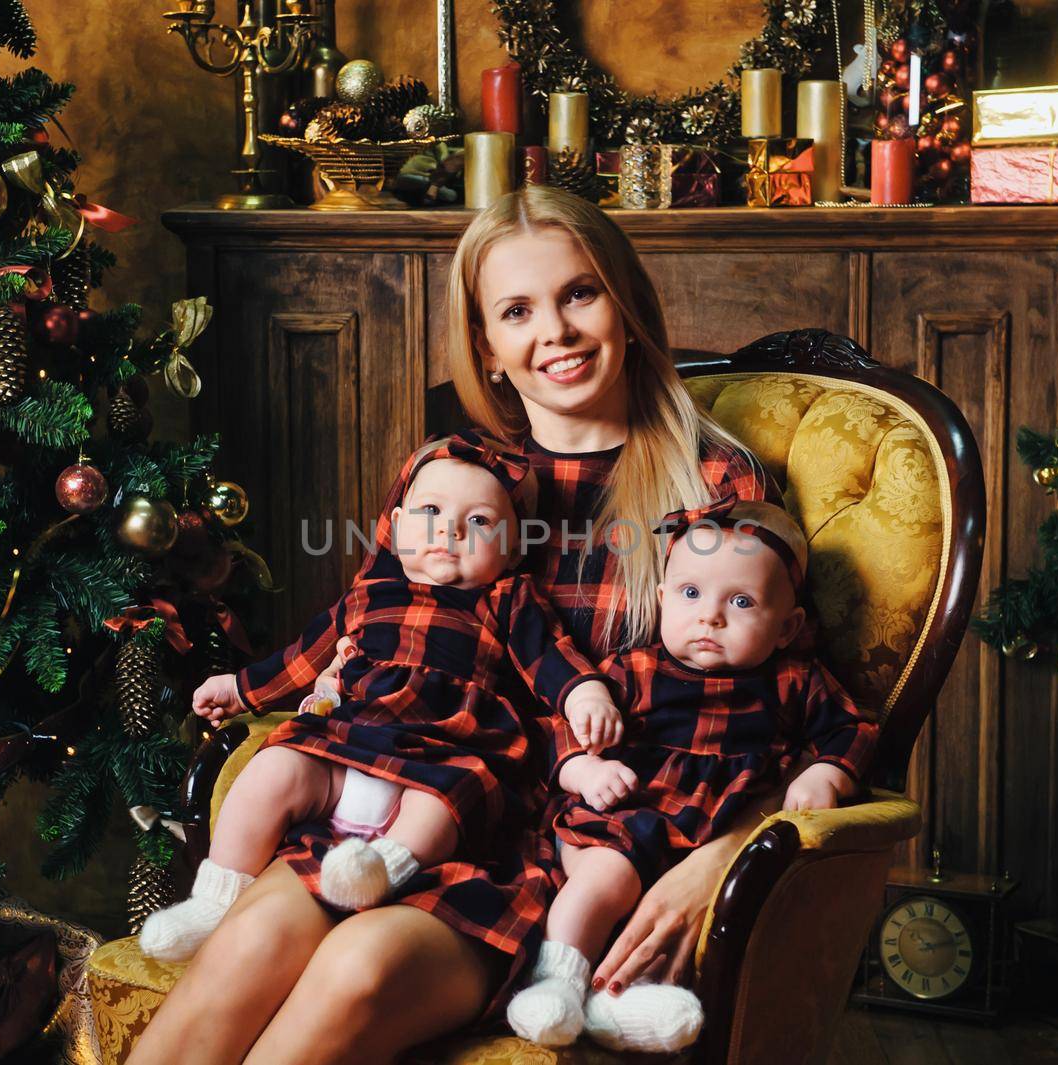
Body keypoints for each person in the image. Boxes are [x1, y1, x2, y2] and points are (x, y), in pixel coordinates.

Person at [127, 184, 788, 1065]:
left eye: (579, 293)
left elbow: (797, 714)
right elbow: (364, 627)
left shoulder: (714, 488)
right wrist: (331, 694)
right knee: (245, 945)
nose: (553, 330)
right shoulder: (455, 479)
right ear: (487, 342)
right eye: (517, 309)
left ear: (626, 301)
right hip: (404, 801)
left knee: (357, 966)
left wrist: (730, 855)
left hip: (561, 861)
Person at [137, 434, 623, 962]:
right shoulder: (367, 595)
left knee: (452, 800)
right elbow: (303, 657)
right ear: (396, 525)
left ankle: (385, 869)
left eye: (480, 521)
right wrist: (238, 688)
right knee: (275, 766)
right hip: (351, 743)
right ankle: (216, 898)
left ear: (511, 550)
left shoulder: (507, 599)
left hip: (444, 752)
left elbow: (550, 656)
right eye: (431, 510)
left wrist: (585, 694)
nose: (451, 529)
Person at [507, 495, 876, 1052]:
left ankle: (619, 1004)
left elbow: (855, 729)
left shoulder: (795, 681)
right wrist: (583, 767)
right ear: (660, 601)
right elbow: (566, 725)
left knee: (706, 922)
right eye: (690, 593)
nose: (710, 616)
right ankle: (557, 980)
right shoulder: (633, 669)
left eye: (743, 601)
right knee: (607, 882)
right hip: (626, 817)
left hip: (709, 836)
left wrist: (827, 771)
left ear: (786, 626)